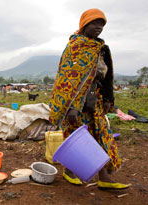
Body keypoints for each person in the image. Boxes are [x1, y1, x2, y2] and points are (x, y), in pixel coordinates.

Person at [49, 8, 130, 190]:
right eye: (95, 23)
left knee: (99, 136)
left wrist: (109, 98)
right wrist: (72, 107)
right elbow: (67, 78)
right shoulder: (75, 47)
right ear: (84, 23)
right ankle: (90, 175)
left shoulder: (101, 49)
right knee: (80, 139)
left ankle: (101, 177)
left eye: (102, 24)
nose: (99, 27)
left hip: (96, 102)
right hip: (76, 104)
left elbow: (107, 76)